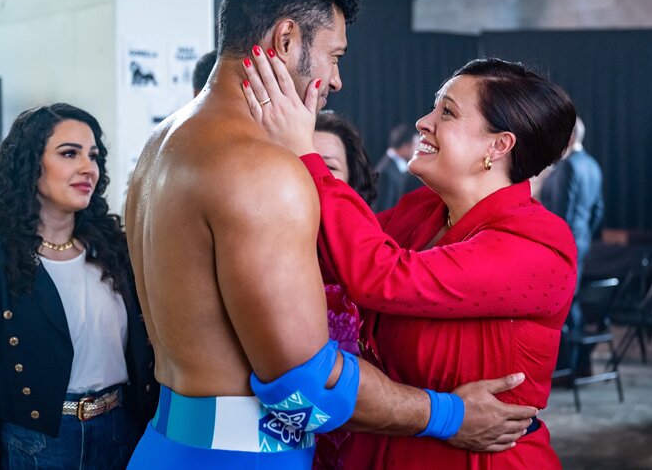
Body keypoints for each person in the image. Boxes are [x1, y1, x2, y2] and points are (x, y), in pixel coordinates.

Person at [125, 0, 536, 469]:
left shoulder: (163, 143)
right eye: (334, 56)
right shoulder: (260, 168)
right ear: (286, 40)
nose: (337, 80)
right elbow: (305, 387)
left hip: (165, 443)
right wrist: (451, 414)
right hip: (245, 456)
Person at [245, 55, 578, 468]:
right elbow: (325, 256)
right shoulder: (424, 210)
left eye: (447, 112)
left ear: (498, 146)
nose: (423, 122)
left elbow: (378, 275)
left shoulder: (539, 245)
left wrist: (304, 152)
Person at [0, 104, 157, 469]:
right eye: (70, 153)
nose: (88, 167)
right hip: (36, 443)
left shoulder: (116, 250)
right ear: (30, 163)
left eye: (93, 156)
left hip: (121, 430)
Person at [311, 110, 374, 469]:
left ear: (352, 182)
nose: (312, 175)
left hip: (366, 436)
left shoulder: (379, 259)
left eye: (328, 167)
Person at [539, 116, 603, 286]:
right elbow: (598, 210)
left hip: (561, 245)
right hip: (582, 241)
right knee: (572, 292)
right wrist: (583, 233)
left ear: (569, 137)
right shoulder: (593, 165)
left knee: (560, 294)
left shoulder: (567, 166)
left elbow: (561, 212)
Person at [373, 124, 418, 211]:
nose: (417, 150)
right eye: (416, 145)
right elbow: (383, 210)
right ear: (405, 147)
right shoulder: (386, 173)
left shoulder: (397, 168)